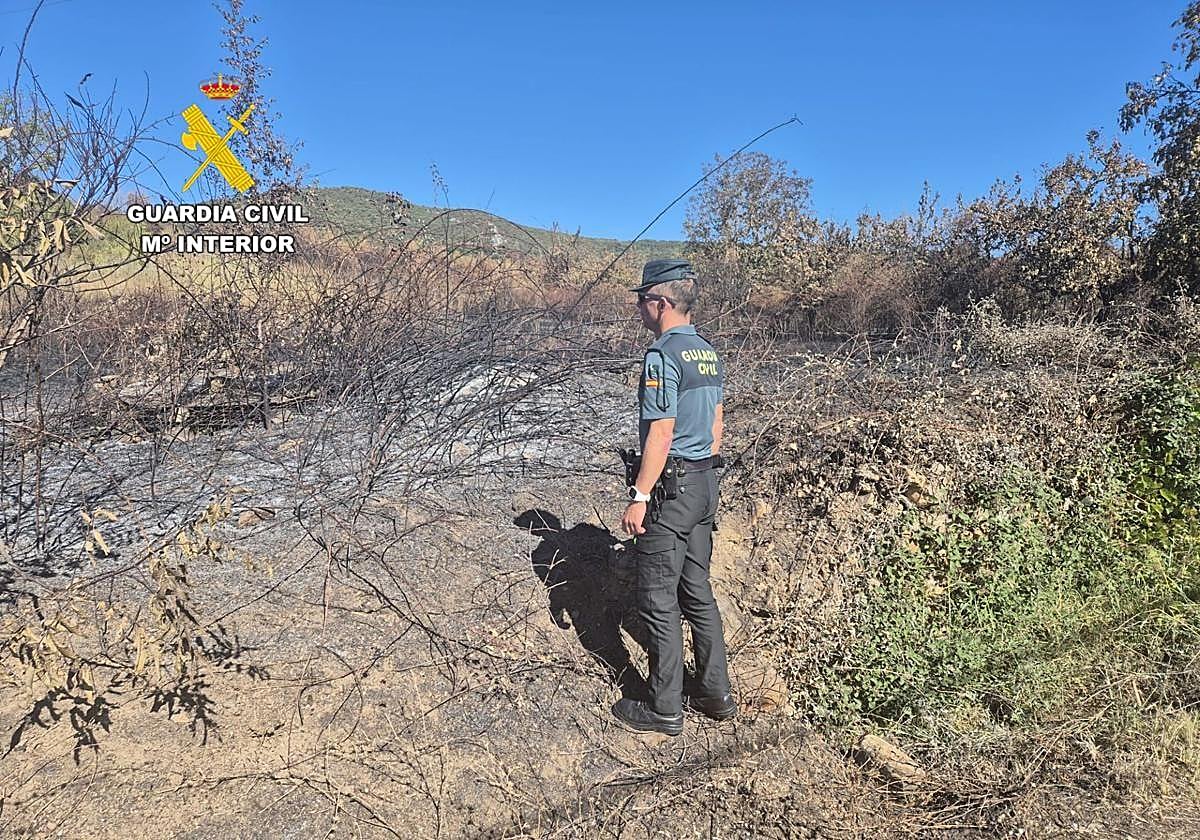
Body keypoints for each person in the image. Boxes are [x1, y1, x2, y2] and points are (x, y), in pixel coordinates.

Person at [613, 258, 737, 736]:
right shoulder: (707, 351)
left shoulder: (661, 356)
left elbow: (661, 432)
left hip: (674, 488)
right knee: (697, 592)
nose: (640, 309)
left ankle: (664, 707)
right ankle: (715, 693)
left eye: (642, 300)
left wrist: (641, 494)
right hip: (705, 484)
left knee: (658, 599)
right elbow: (716, 424)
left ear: (661, 303)